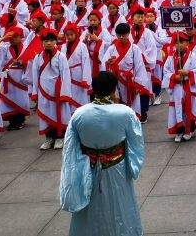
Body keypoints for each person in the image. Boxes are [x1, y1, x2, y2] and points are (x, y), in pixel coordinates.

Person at [60, 71, 145, 236]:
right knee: (119, 206)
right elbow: (136, 143)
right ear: (114, 90)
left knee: (90, 210)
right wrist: (133, 166)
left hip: (88, 169)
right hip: (117, 168)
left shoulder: (79, 114)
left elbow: (70, 147)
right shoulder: (125, 113)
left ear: (93, 89)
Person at [162, 31, 196, 142]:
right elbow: (166, 71)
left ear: (187, 43)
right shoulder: (171, 58)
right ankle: (179, 130)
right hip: (176, 87)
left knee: (189, 107)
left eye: (181, 42)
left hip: (189, 87)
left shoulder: (192, 56)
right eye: (176, 42)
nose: (179, 45)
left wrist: (188, 73)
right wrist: (174, 77)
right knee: (177, 109)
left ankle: (189, 129)